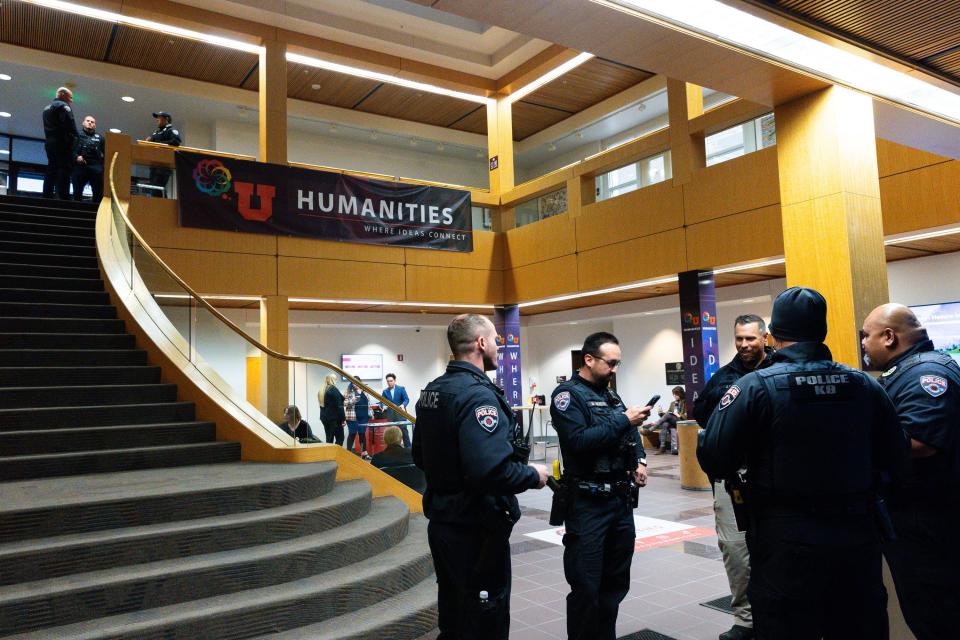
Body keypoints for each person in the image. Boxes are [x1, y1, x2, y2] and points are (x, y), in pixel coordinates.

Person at [698, 287, 907, 640]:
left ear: (774, 336)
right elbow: (898, 458)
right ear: (822, 331)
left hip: (785, 542)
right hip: (856, 538)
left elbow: (715, 457)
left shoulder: (755, 387)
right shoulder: (864, 385)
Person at [412, 313, 549, 640]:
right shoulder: (477, 395)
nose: (500, 350)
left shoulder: (433, 391)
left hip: (444, 522)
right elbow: (490, 471)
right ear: (482, 343)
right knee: (484, 619)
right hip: (475, 531)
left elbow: (419, 456)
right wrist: (533, 474)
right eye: (497, 343)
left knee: (455, 616)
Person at [861, 303, 960, 640]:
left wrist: (860, 444)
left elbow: (922, 441)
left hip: (928, 522)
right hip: (920, 519)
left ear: (889, 337)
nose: (863, 343)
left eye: (866, 335)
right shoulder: (908, 370)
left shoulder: (924, 375)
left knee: (937, 615)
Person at [550, 331, 652, 640]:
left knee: (615, 585)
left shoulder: (611, 396)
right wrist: (624, 421)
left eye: (619, 364)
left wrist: (640, 460)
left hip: (619, 503)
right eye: (610, 363)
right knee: (586, 588)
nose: (615, 370)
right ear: (589, 359)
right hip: (587, 505)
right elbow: (579, 441)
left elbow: (630, 435)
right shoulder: (567, 396)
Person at [692, 314, 773, 640]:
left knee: (775, 548)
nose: (744, 345)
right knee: (736, 552)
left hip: (774, 478)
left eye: (750, 339)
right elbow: (701, 416)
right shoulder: (724, 377)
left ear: (765, 338)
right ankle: (745, 619)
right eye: (739, 339)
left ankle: (776, 615)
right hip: (733, 481)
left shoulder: (778, 370)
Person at [41, 87, 78, 200]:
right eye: (69, 97)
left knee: (51, 168)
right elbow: (69, 124)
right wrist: (75, 138)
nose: (70, 101)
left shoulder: (46, 108)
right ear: (62, 94)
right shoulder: (63, 106)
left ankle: (47, 195)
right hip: (62, 143)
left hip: (49, 142)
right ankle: (63, 197)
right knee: (64, 169)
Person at [640, 385, 687, 454]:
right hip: (673, 421)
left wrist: (679, 415)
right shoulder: (673, 403)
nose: (674, 396)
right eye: (673, 394)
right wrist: (661, 413)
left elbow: (687, 415)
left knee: (667, 416)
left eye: (676, 394)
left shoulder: (686, 402)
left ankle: (650, 430)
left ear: (680, 394)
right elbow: (668, 414)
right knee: (665, 424)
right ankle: (662, 447)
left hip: (682, 421)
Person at [144, 111, 181, 196]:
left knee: (158, 187)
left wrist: (159, 145)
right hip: (154, 164)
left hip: (163, 166)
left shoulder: (171, 131)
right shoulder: (156, 132)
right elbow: (151, 143)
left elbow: (176, 142)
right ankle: (157, 205)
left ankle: (161, 205)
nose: (157, 120)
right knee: (154, 188)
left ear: (166, 119)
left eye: (159, 118)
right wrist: (149, 141)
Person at [71, 115, 105, 202]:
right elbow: (68, 150)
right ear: (83, 123)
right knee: (77, 192)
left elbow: (106, 153)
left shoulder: (100, 138)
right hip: (80, 166)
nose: (90, 123)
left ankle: (96, 213)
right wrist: (76, 157)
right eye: (88, 121)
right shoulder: (76, 135)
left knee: (98, 193)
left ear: (95, 125)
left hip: (96, 167)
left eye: (92, 122)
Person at [382, 373, 411, 447]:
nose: (389, 383)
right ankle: (392, 450)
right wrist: (382, 406)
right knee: (391, 434)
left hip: (400, 414)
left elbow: (406, 399)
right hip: (390, 415)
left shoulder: (401, 389)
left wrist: (403, 405)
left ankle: (408, 448)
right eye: (388, 381)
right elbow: (382, 402)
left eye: (391, 381)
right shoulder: (385, 391)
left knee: (404, 432)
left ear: (394, 380)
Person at [318, 374, 345, 446]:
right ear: (333, 380)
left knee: (329, 439)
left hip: (325, 418)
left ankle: (329, 456)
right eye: (335, 380)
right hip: (335, 419)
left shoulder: (322, 390)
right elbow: (339, 407)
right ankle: (337, 455)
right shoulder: (333, 389)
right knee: (340, 438)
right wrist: (343, 419)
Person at [345, 383, 370, 456]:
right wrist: (356, 397)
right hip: (352, 417)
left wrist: (370, 413)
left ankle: (364, 453)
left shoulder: (365, 391)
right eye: (353, 382)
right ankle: (348, 453)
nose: (355, 384)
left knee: (362, 434)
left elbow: (368, 402)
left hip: (363, 417)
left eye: (357, 382)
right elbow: (345, 403)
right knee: (352, 434)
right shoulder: (348, 391)